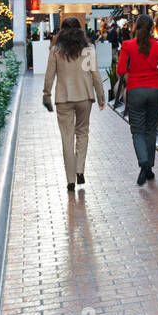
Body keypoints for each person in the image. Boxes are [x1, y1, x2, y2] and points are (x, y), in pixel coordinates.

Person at [42, 16, 107, 192]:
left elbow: (49, 74)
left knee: (67, 137)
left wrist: (46, 94)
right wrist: (101, 96)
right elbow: (95, 74)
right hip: (85, 96)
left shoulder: (56, 50)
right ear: (80, 30)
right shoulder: (88, 49)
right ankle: (80, 170)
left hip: (63, 97)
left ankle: (70, 180)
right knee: (83, 133)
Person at [117, 13, 158, 185]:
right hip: (154, 90)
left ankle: (144, 163)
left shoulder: (128, 45)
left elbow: (120, 70)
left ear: (136, 27)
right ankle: (149, 168)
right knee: (150, 129)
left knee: (137, 130)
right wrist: (154, 72)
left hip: (135, 91)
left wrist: (134, 72)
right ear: (151, 28)